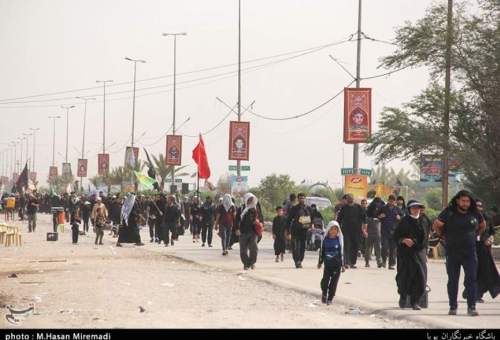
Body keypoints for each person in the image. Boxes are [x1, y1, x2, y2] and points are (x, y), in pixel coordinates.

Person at [433, 190, 486, 316]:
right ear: (457, 200)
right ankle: (453, 307)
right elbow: (437, 224)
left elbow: (482, 225)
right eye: (463, 201)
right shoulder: (449, 212)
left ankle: (471, 307)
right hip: (452, 252)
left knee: (471, 279)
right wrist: (442, 235)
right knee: (453, 280)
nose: (465, 203)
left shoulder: (474, 212)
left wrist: (475, 235)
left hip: (470, 252)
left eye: (467, 201)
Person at [462, 200, 500, 303]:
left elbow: (492, 232)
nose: (478, 207)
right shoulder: (467, 218)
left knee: (485, 272)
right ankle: (471, 292)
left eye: (480, 206)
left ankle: (477, 294)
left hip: (484, 250)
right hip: (472, 249)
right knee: (473, 271)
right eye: (476, 206)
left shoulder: (486, 218)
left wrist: (490, 238)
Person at [393, 200, 428, 310]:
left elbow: (426, 238)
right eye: (413, 208)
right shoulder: (404, 221)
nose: (415, 210)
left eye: (417, 208)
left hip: (419, 253)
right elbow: (395, 236)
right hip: (405, 254)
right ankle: (403, 297)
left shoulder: (424, 221)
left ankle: (415, 302)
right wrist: (403, 240)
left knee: (421, 278)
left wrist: (415, 242)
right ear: (409, 209)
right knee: (404, 277)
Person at [318, 221, 345, 305]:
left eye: (335, 229)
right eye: (331, 229)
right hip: (327, 265)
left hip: (337, 265)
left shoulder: (339, 240)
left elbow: (342, 253)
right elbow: (322, 252)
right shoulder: (325, 240)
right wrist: (320, 262)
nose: (333, 231)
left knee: (333, 283)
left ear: (338, 231)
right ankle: (324, 294)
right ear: (328, 230)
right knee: (324, 282)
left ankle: (330, 299)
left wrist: (343, 265)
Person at [336, 194, 366, 269]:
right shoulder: (344, 208)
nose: (350, 199)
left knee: (355, 246)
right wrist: (337, 228)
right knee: (347, 246)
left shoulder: (358, 207)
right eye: (349, 198)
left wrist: (364, 229)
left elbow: (364, 218)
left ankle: (353, 262)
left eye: (351, 198)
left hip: (356, 231)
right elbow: (339, 219)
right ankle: (347, 262)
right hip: (346, 230)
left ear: (353, 199)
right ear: (347, 199)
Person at [287, 193, 313, 268]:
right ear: (298, 199)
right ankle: (297, 261)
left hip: (304, 231)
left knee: (302, 247)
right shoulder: (294, 208)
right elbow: (288, 220)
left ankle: (300, 260)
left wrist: (312, 224)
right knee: (295, 247)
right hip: (295, 230)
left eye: (303, 198)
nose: (302, 199)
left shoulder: (308, 208)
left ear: (305, 199)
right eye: (300, 198)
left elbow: (313, 217)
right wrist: (287, 231)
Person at [235, 193, 259, 270]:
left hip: (253, 232)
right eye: (249, 199)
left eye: (252, 199)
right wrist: (237, 229)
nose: (251, 201)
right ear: (246, 200)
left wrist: (258, 222)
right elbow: (237, 220)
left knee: (254, 248)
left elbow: (261, 218)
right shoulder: (241, 209)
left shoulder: (256, 209)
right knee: (243, 250)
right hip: (243, 232)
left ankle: (252, 263)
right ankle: (246, 263)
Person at [379, 195, 403, 270]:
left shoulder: (397, 209)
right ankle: (384, 261)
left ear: (395, 202)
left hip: (394, 231)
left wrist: (400, 218)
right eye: (390, 201)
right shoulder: (383, 208)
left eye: (393, 201)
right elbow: (376, 215)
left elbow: (403, 217)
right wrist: (380, 216)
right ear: (388, 200)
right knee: (385, 247)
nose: (391, 202)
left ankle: (391, 264)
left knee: (393, 248)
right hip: (385, 231)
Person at [363, 197, 383, 268]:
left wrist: (365, 231)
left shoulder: (370, 208)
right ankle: (378, 261)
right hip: (376, 233)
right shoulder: (379, 209)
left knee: (368, 248)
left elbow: (365, 223)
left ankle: (368, 262)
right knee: (377, 248)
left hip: (371, 233)